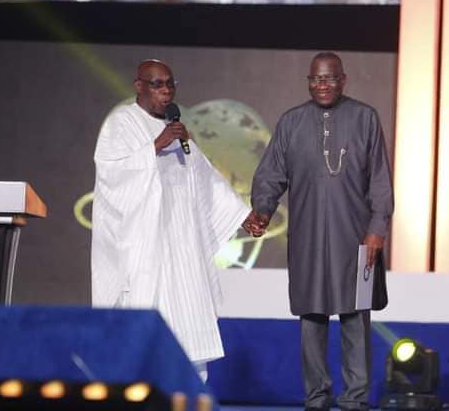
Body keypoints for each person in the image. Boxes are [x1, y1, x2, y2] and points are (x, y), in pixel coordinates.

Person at [243, 52, 393, 411]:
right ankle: (317, 396)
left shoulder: (365, 118)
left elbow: (380, 182)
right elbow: (270, 174)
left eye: (328, 79)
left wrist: (377, 229)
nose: (321, 86)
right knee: (312, 318)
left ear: (343, 80)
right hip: (309, 237)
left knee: (356, 318)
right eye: (315, 80)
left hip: (356, 237)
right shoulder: (292, 122)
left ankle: (355, 398)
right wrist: (262, 209)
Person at [91, 59, 250, 380]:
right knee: (140, 348)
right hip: (143, 253)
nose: (166, 91)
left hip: (182, 252)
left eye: (170, 84)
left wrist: (244, 217)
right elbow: (110, 173)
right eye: (157, 84)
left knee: (190, 335)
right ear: (139, 86)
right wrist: (155, 146)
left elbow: (205, 179)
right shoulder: (122, 123)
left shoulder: (177, 130)